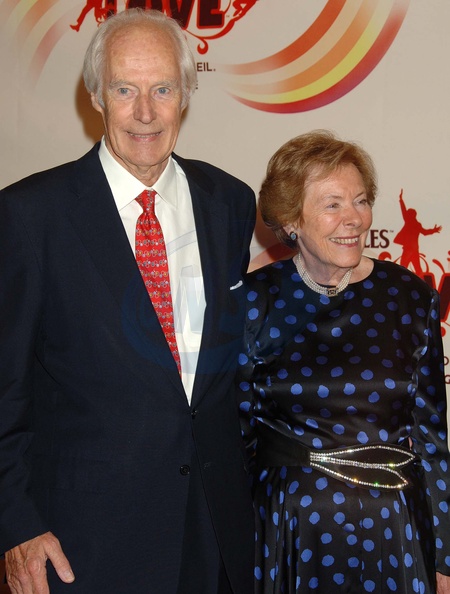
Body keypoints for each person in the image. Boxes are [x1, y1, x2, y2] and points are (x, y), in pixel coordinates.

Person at [0, 8, 256, 594]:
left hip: (214, 535)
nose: (145, 112)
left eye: (162, 89)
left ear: (185, 94)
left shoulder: (230, 202)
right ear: (95, 95)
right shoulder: (29, 217)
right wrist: (16, 525)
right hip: (85, 543)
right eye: (124, 90)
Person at [237, 130, 450, 593]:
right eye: (332, 204)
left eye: (360, 200)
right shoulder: (253, 302)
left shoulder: (411, 297)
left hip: (395, 528)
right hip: (291, 528)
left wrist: (445, 556)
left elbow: (431, 438)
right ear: (291, 219)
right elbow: (236, 438)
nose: (354, 218)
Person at [393, 188, 442, 278]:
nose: (406, 214)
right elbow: (425, 232)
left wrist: (401, 200)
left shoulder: (409, 222)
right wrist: (434, 230)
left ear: (411, 215)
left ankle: (406, 284)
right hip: (415, 249)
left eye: (408, 213)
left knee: (402, 268)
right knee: (417, 269)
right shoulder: (417, 224)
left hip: (408, 249)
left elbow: (403, 211)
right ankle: (422, 284)